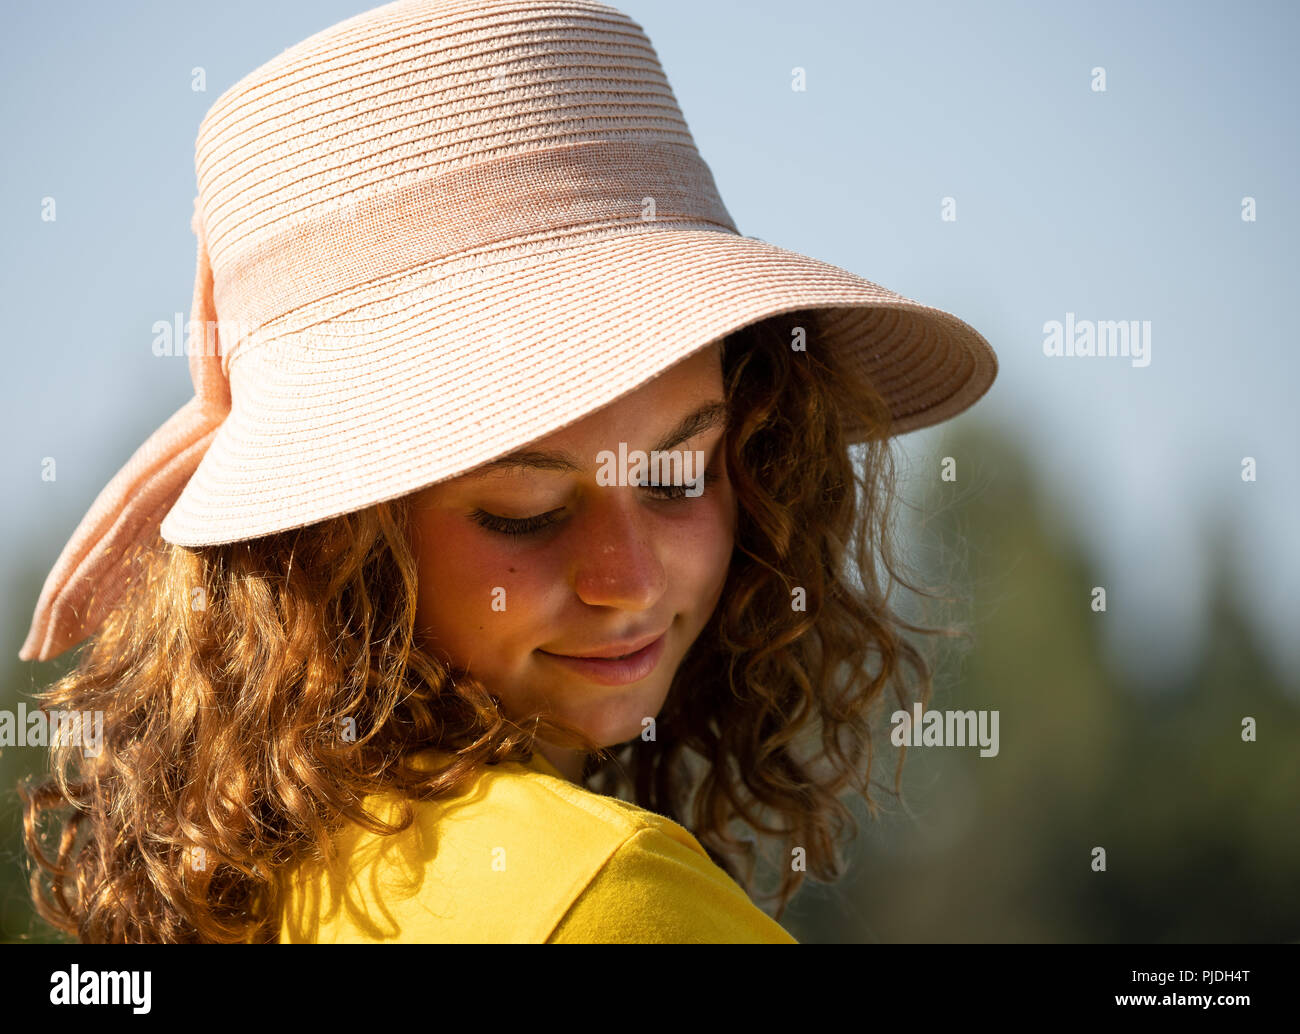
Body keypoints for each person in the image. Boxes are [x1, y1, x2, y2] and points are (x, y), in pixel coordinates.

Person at [17, 0, 997, 944]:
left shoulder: (269, 873)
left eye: (681, 473)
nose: (632, 576)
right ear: (336, 540)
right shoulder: (606, 898)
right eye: (524, 509)